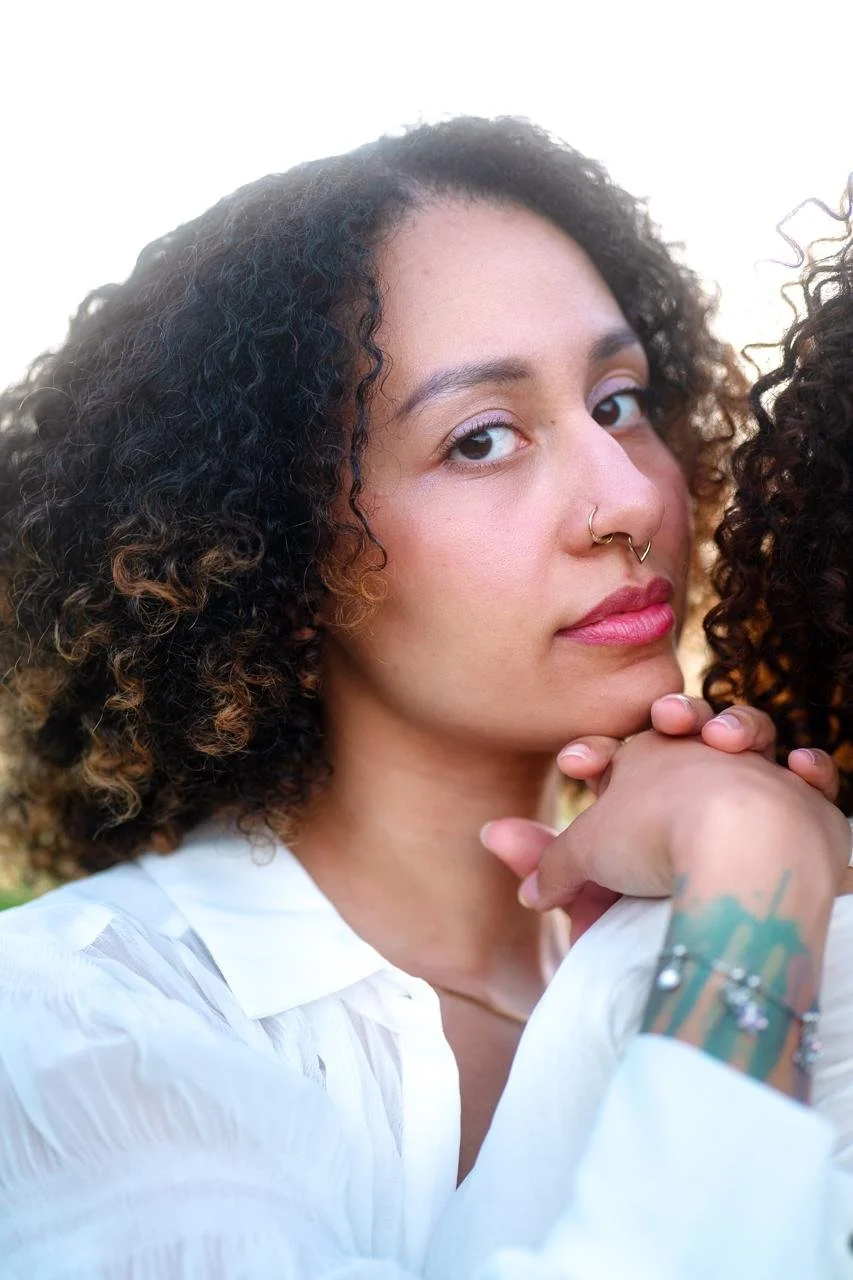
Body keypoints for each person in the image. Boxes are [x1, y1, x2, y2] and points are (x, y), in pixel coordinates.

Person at [0, 117, 850, 1279]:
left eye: (615, 402)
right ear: (272, 557)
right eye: (483, 439)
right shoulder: (76, 1020)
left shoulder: (704, 943)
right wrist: (756, 883)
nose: (623, 501)